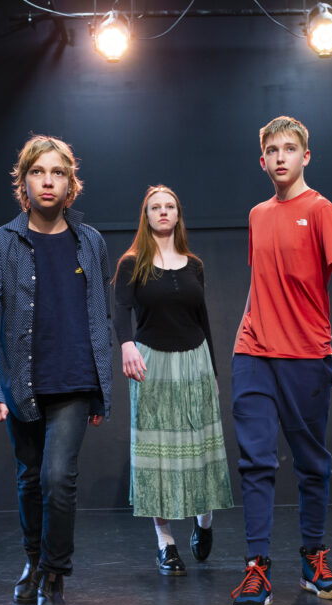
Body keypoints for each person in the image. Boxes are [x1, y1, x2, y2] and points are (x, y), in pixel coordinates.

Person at [229, 116, 332, 605]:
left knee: (311, 462)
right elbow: (261, 283)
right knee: (256, 460)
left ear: (305, 156)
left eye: (290, 148)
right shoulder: (257, 215)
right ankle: (257, 567)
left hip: (308, 356)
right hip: (253, 354)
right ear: (262, 160)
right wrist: (244, 334)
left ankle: (313, 559)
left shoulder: (320, 209)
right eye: (272, 150)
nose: (281, 156)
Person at [0, 135, 112, 605]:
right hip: (22, 382)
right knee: (30, 478)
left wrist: (101, 388)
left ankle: (54, 578)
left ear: (71, 183)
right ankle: (33, 558)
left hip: (73, 379)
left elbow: (101, 316)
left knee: (57, 479)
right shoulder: (0, 243)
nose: (48, 181)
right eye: (38, 172)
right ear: (23, 181)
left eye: (58, 173)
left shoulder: (90, 241)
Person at [113, 185, 234, 576]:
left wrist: (213, 371)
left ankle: (204, 522)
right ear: (146, 216)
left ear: (178, 215)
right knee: (158, 456)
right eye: (155, 207)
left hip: (195, 361)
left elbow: (203, 320)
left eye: (169, 206)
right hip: (152, 363)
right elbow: (120, 310)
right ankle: (165, 542)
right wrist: (126, 345)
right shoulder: (132, 263)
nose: (163, 212)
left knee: (200, 448)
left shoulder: (195, 265)